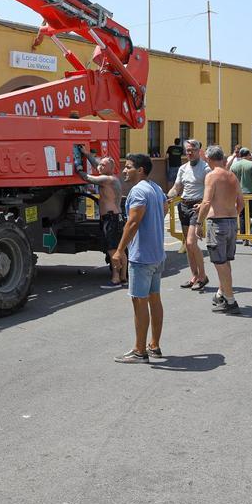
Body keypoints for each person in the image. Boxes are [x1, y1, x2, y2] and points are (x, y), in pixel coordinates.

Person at [112, 153, 167, 364]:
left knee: (139, 302)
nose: (124, 171)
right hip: (157, 255)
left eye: (128, 167)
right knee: (155, 299)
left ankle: (139, 351)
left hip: (142, 256)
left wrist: (119, 250)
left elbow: (132, 223)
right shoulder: (155, 187)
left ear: (140, 170)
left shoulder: (138, 191)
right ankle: (154, 345)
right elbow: (164, 207)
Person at [198, 146, 244, 315]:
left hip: (217, 223)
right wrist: (230, 214)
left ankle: (231, 300)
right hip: (231, 222)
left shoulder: (211, 176)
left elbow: (206, 202)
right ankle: (222, 294)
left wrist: (198, 222)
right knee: (225, 261)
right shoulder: (232, 176)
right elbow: (241, 203)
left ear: (209, 159)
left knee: (220, 263)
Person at [75, 148, 127, 289]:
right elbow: (97, 164)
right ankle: (123, 277)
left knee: (112, 249)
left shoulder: (106, 179)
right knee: (119, 249)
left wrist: (78, 167)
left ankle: (115, 279)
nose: (100, 166)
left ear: (111, 167)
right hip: (115, 217)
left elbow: (87, 178)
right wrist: (86, 154)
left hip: (111, 218)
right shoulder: (112, 177)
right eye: (101, 164)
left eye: (103, 165)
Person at [167, 139, 209, 290]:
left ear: (199, 151)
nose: (189, 153)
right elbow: (176, 187)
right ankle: (194, 275)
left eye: (192, 150)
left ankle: (203, 276)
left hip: (197, 206)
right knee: (187, 244)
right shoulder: (183, 168)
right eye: (188, 150)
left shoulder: (206, 168)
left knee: (192, 242)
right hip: (184, 205)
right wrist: (168, 196)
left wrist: (204, 204)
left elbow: (210, 189)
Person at [229, 147, 252, 237]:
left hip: (239, 194)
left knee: (242, 215)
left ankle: (244, 236)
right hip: (251, 193)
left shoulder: (234, 166)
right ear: (248, 155)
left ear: (240, 155)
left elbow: (231, 181)